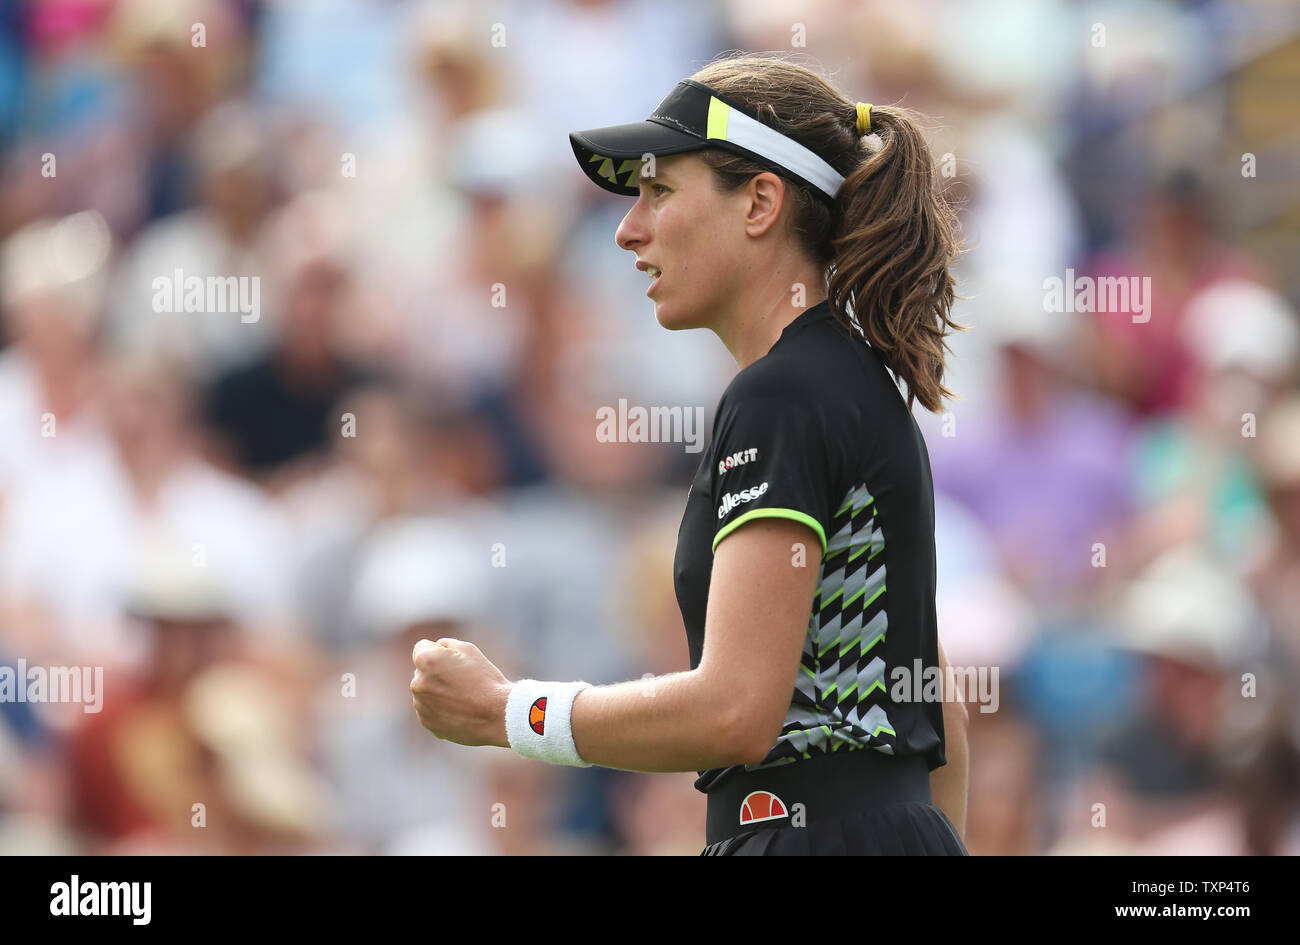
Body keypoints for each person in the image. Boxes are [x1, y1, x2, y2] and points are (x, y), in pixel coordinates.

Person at [410, 53, 971, 856]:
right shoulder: (854, 385)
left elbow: (735, 711)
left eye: (659, 190)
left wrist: (508, 710)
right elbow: (940, 710)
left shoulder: (781, 396)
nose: (628, 227)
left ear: (761, 204)